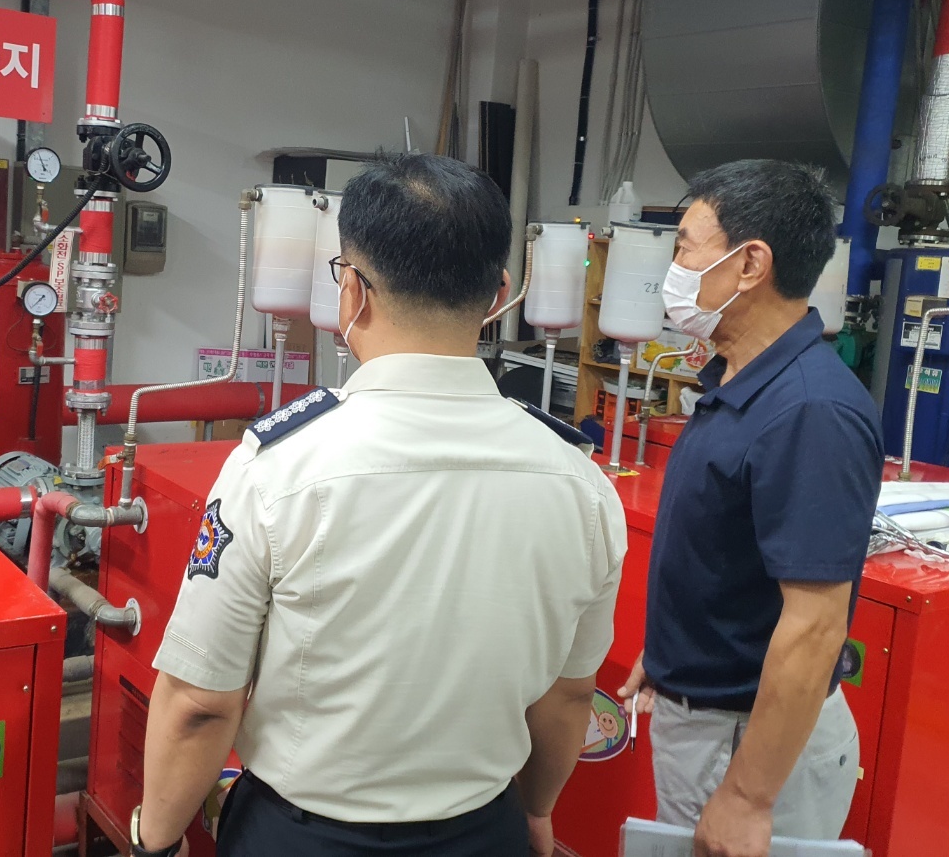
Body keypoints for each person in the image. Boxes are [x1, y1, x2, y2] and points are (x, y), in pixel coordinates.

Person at [130, 155, 627, 857]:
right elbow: (569, 696)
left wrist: (154, 842)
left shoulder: (279, 467)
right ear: (499, 295)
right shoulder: (582, 482)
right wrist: (537, 812)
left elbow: (200, 703)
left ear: (352, 292)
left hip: (302, 839)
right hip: (483, 833)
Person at [619, 159, 884, 857]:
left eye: (685, 247)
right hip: (710, 721)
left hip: (746, 744)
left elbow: (815, 624)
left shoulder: (810, 411)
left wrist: (746, 796)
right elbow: (730, 550)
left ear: (749, 265)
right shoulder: (738, 378)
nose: (674, 268)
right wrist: (675, 652)